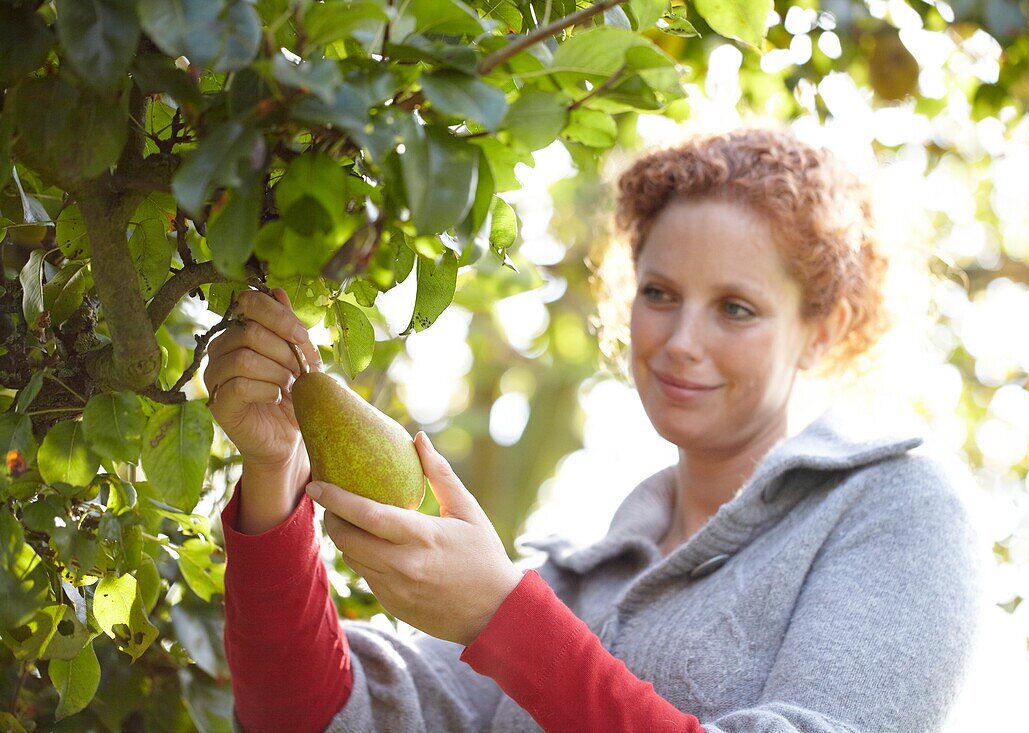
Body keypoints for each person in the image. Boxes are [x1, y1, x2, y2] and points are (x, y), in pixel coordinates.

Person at [205, 126, 983, 733]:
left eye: (735, 308)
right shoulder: (570, 577)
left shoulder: (893, 507)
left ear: (824, 327)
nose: (681, 339)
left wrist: (503, 618)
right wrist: (274, 474)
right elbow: (312, 717)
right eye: (661, 292)